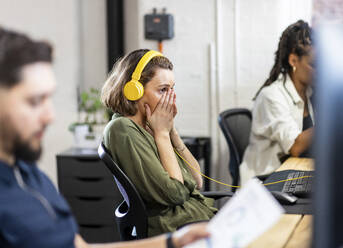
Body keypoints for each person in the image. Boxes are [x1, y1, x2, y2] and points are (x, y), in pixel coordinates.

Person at [0, 27, 210, 248]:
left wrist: (173, 241)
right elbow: (174, 193)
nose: (50, 116)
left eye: (49, 98)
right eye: (34, 101)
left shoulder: (30, 176)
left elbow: (80, 247)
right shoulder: (123, 130)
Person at [101, 49, 217, 237]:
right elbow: (175, 194)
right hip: (177, 231)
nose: (171, 98)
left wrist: (172, 134)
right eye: (163, 90)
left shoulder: (151, 128)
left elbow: (197, 180)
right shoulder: (122, 129)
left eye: (172, 89)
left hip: (197, 221)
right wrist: (162, 134)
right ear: (134, 91)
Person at [240, 20, 314, 184]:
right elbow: (295, 147)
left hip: (289, 175)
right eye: (314, 64)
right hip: (265, 183)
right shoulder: (272, 96)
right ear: (293, 60)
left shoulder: (309, 92)